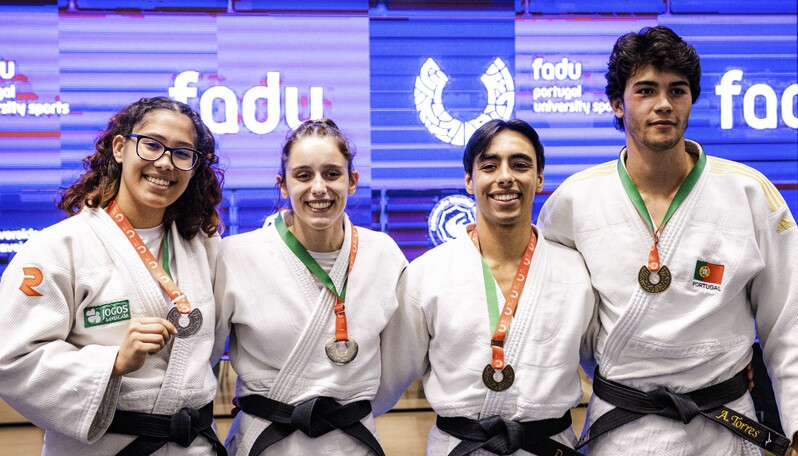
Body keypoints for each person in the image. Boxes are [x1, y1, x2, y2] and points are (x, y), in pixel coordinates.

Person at [538, 26, 798, 455]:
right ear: (617, 104)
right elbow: (556, 312)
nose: (663, 104)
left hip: (724, 427)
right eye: (645, 90)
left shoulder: (749, 193)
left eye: (677, 91)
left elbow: (789, 323)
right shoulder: (575, 202)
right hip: (622, 430)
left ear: (691, 100)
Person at [0, 97, 226, 454]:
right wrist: (113, 362)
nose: (165, 163)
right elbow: (10, 357)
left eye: (183, 153)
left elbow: (210, 348)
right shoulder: (59, 247)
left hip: (192, 445)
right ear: (120, 147)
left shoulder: (206, 249)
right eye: (152, 145)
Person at [375, 119, 598, 455]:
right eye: (490, 165)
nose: (505, 176)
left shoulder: (577, 271)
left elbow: (609, 369)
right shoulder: (426, 274)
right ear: (469, 180)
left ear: (539, 179)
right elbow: (385, 382)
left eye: (520, 165)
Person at [213, 118, 407, 455]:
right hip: (268, 441)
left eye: (332, 174)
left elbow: (399, 362)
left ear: (352, 181)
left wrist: (349, 406)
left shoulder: (383, 254)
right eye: (303, 175)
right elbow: (207, 357)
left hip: (350, 442)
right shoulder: (237, 255)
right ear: (283, 185)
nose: (319, 188)